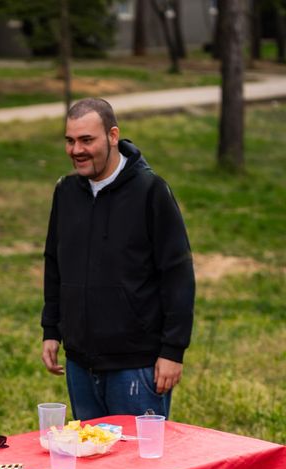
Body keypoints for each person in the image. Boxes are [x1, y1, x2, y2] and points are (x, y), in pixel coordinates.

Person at [40, 97, 195, 420]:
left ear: (113, 136)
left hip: (136, 365)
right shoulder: (66, 192)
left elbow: (177, 275)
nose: (76, 150)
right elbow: (54, 263)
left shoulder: (151, 191)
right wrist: (51, 330)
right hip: (80, 364)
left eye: (86, 140)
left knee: (140, 465)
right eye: (70, 141)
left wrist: (172, 352)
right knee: (94, 466)